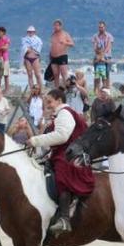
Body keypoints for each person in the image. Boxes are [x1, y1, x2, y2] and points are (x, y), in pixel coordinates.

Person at [27, 88, 94, 235]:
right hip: (63, 152)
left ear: (59, 100)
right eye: (46, 102)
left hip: (69, 155)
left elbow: (62, 136)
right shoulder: (59, 114)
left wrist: (35, 140)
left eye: (50, 102)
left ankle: (64, 219)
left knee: (62, 176)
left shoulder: (64, 113)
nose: (48, 105)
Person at [49, 19, 75, 87]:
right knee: (55, 74)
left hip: (62, 56)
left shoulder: (65, 34)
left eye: (57, 25)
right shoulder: (53, 35)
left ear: (61, 26)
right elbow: (52, 45)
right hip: (53, 57)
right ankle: (57, 90)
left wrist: (65, 43)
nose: (55, 27)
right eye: (54, 25)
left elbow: (72, 44)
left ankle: (67, 89)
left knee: (64, 74)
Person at [91, 21, 114, 88]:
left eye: (102, 27)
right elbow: (95, 48)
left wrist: (102, 55)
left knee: (107, 75)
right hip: (97, 57)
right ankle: (96, 91)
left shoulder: (109, 36)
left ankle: (107, 89)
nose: (101, 28)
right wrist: (99, 55)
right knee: (96, 75)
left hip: (107, 57)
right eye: (99, 27)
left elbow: (109, 46)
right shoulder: (95, 36)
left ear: (105, 27)